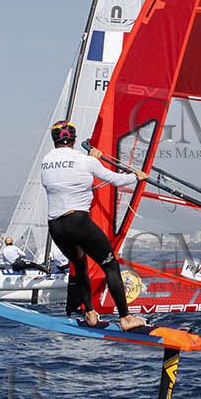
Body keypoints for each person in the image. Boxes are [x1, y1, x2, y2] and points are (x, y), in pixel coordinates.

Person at [40, 122, 145, 331]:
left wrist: (92, 160)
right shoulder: (84, 161)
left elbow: (69, 176)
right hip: (78, 223)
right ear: (74, 139)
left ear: (54, 140)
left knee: (80, 265)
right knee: (111, 266)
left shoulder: (46, 161)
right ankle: (126, 318)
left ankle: (89, 313)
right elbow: (116, 180)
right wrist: (136, 175)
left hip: (56, 227)